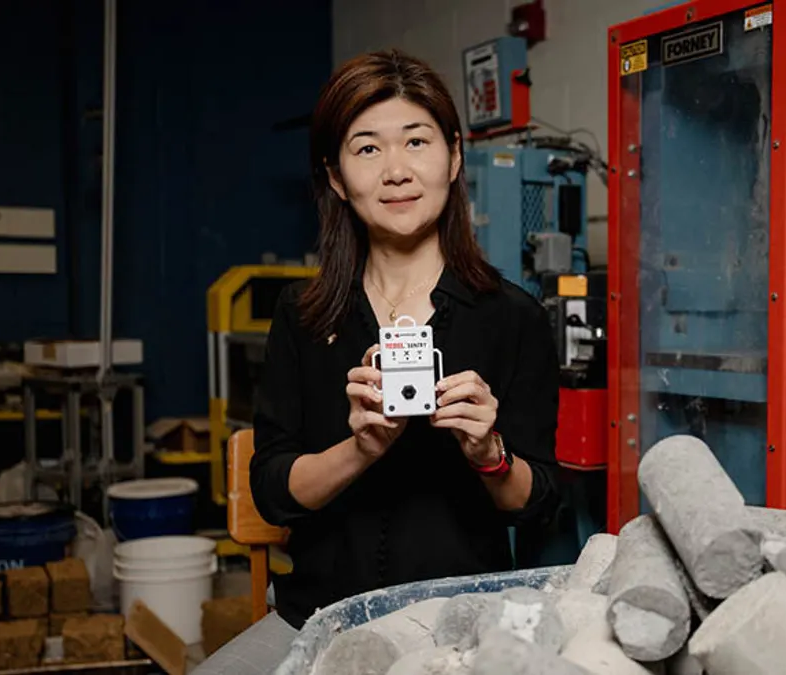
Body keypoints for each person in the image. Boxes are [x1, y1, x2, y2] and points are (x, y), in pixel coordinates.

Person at [195, 49, 561, 673]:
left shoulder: (513, 316)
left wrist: (490, 455)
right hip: (314, 616)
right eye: (367, 148)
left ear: (452, 155)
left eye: (416, 141)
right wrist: (360, 448)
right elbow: (274, 491)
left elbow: (540, 502)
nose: (396, 171)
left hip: (458, 626)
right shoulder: (303, 314)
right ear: (336, 177)